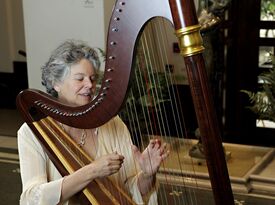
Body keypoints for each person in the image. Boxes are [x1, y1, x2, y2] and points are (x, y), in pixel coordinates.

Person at [17, 39, 169, 205]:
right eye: (80, 79)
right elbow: (32, 200)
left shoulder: (112, 123)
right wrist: (93, 170)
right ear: (56, 83)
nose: (90, 85)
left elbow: (129, 192)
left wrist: (147, 174)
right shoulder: (32, 131)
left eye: (92, 78)